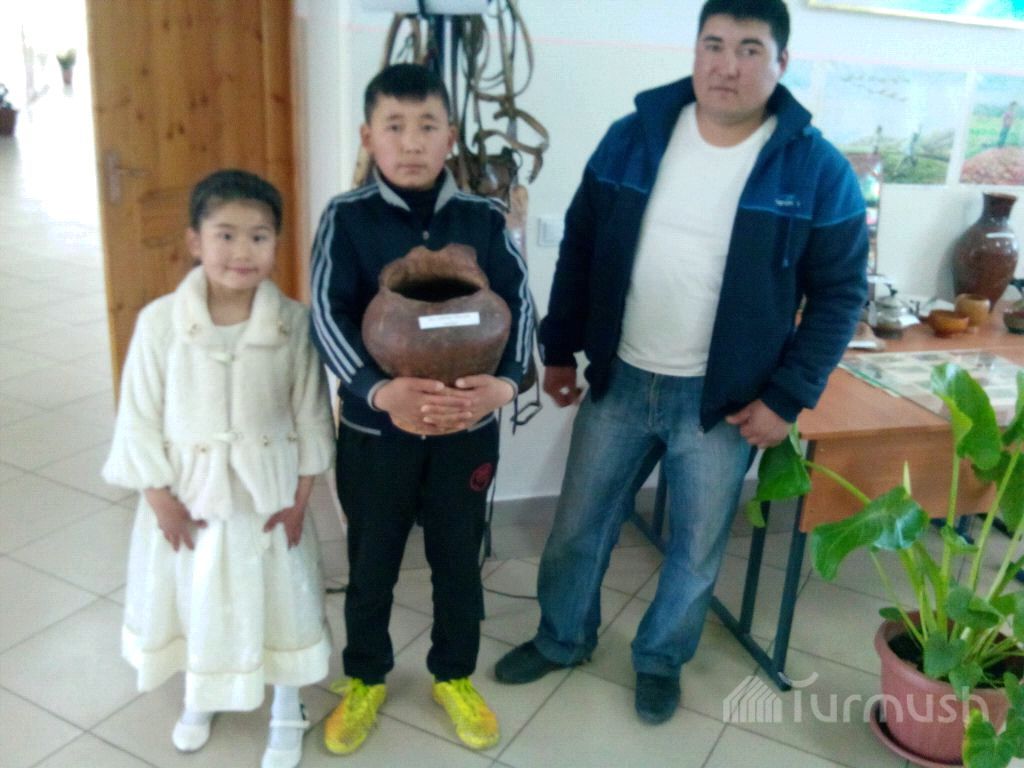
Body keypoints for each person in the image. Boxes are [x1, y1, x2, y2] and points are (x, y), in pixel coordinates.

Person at [494, 0, 868, 726]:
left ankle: (660, 660)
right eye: (714, 45)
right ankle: (562, 637)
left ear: (781, 62)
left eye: (750, 49)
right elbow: (580, 248)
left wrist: (787, 397)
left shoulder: (817, 170)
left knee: (696, 548)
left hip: (723, 400)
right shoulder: (632, 138)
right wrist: (559, 347)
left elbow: (840, 293)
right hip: (621, 379)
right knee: (576, 528)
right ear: (695, 51)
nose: (728, 65)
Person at [309, 63, 533, 754]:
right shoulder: (346, 218)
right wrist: (380, 392)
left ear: (450, 136)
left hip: (467, 430)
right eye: (395, 126)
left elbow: (522, 306)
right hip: (378, 432)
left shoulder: (484, 219)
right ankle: (366, 676)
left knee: (457, 559)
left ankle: (453, 675)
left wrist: (505, 386)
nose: (411, 142)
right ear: (368, 136)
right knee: (372, 560)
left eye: (427, 126)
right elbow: (326, 315)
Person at [102, 169, 335, 768]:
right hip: (190, 499)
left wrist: (300, 500)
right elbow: (138, 417)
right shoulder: (160, 323)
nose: (241, 251)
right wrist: (159, 501)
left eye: (259, 236)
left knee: (278, 601)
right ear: (195, 241)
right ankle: (202, 690)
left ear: (276, 243)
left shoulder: (293, 323)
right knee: (198, 596)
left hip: (269, 498)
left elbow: (312, 414)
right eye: (225, 235)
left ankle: (286, 705)